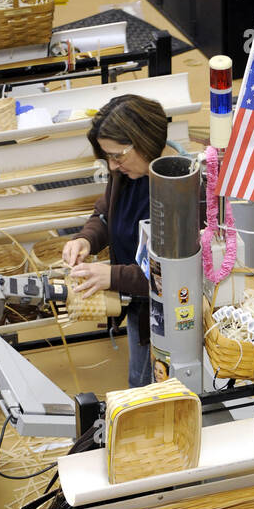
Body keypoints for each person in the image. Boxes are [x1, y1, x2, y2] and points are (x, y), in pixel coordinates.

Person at [61, 95, 169, 387]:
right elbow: (106, 214)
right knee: (139, 381)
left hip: (166, 320)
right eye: (107, 157)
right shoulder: (126, 174)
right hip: (138, 305)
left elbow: (170, 277)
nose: (112, 166)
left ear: (144, 141)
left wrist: (112, 276)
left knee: (151, 389)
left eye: (117, 156)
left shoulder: (178, 189)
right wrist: (86, 240)